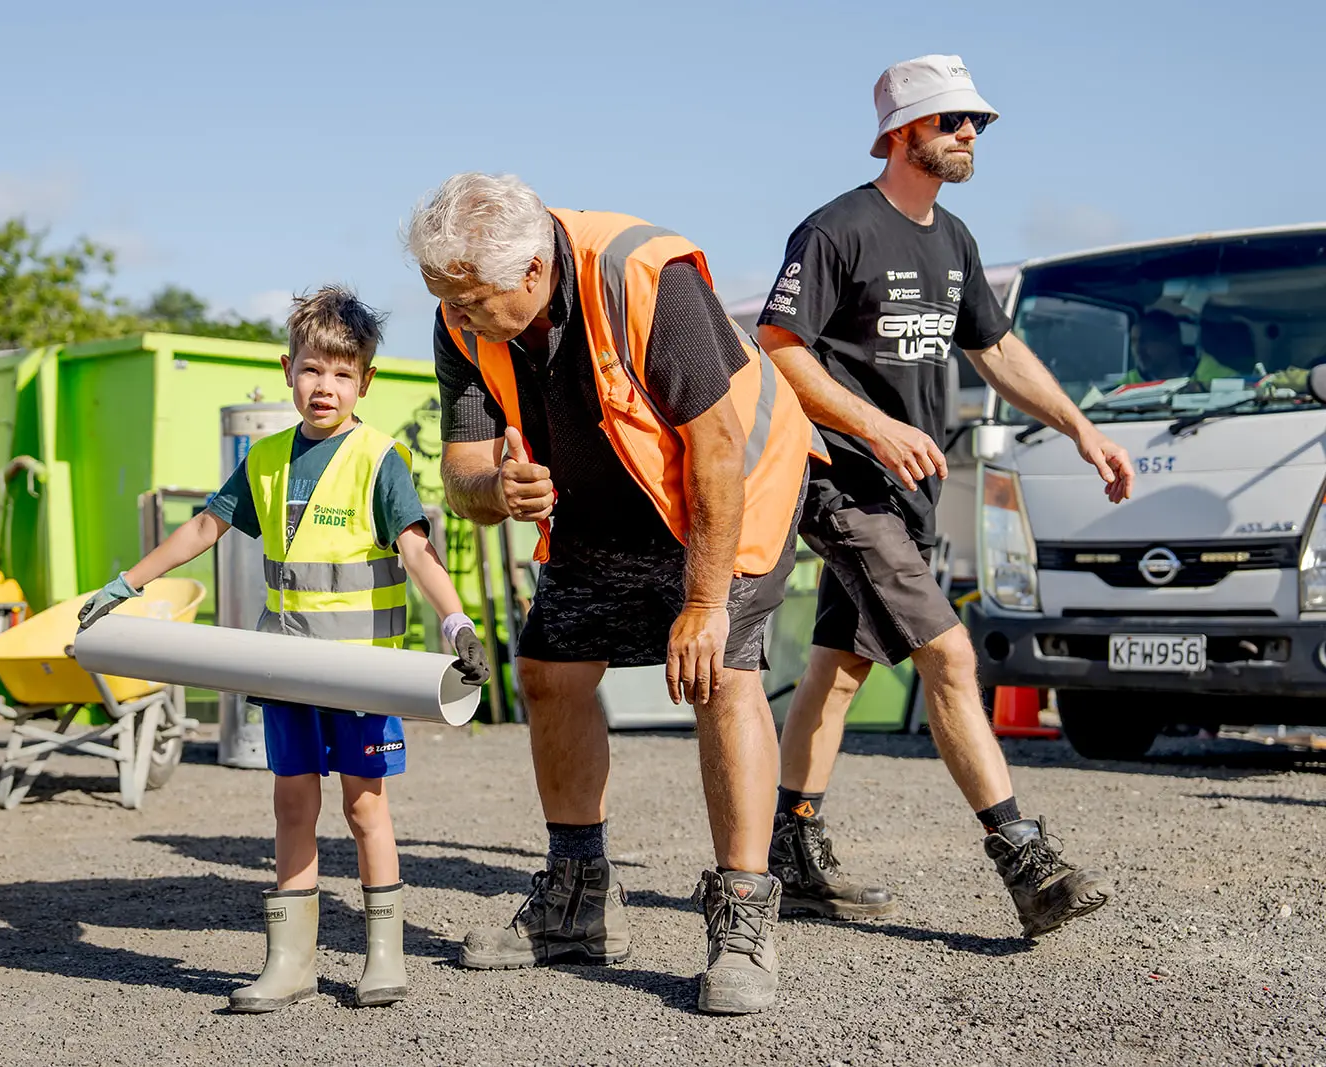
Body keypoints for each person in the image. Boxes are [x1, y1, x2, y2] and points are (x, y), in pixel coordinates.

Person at [405, 172, 823, 1015]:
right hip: (604, 507)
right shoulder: (461, 310)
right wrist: (500, 489)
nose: (459, 316)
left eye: (473, 300)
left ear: (531, 274)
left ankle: (743, 918)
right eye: (446, 299)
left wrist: (703, 605)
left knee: (721, 673)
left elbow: (715, 447)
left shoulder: (646, 275)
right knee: (550, 670)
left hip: (733, 490)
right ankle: (578, 901)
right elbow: (462, 472)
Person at [755, 55, 1135, 938]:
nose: (971, 134)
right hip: (843, 482)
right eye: (953, 120)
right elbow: (776, 346)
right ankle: (1026, 859)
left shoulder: (954, 240)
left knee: (839, 670)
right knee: (951, 658)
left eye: (980, 123)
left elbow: (995, 351)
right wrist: (875, 427)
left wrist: (1082, 429)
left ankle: (793, 849)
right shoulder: (837, 229)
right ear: (901, 132)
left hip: (907, 493)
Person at [76, 286, 491, 1011]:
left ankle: (383, 956)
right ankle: (290, 962)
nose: (324, 386)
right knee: (292, 806)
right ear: (287, 368)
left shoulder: (379, 458)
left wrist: (457, 624)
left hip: (363, 676)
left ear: (365, 381)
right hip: (289, 672)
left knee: (366, 809)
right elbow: (203, 529)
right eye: (311, 369)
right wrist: (127, 582)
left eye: (341, 373)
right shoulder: (265, 460)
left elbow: (419, 554)